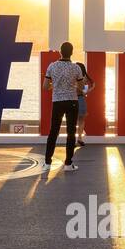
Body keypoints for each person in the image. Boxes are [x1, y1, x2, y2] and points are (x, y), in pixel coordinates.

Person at [43, 41, 83, 170]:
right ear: (71, 53)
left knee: (53, 131)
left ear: (60, 52)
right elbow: (81, 87)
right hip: (72, 101)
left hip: (57, 102)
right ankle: (68, 163)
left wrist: (54, 85)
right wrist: (74, 86)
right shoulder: (76, 68)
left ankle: (47, 162)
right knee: (71, 132)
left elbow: (45, 87)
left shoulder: (52, 66)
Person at [75, 60, 94, 148]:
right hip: (81, 100)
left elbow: (80, 91)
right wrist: (91, 88)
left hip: (73, 100)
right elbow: (84, 92)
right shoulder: (85, 79)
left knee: (73, 120)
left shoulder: (74, 77)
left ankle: (75, 138)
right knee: (81, 120)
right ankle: (79, 138)